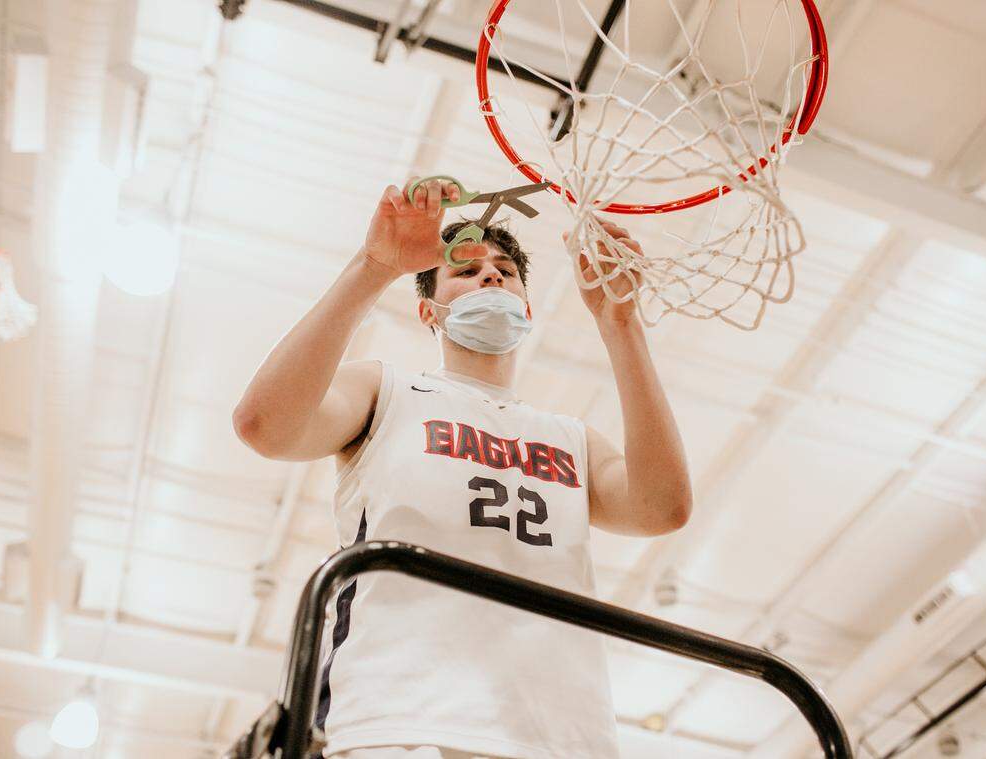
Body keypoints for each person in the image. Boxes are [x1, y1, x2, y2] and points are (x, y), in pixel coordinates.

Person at [233, 177, 693, 759]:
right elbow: (263, 426)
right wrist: (375, 267)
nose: (489, 275)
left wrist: (620, 322)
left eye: (504, 268)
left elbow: (663, 508)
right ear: (429, 310)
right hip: (404, 721)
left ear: (527, 307)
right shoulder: (387, 389)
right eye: (466, 271)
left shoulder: (572, 438)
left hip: (562, 736)